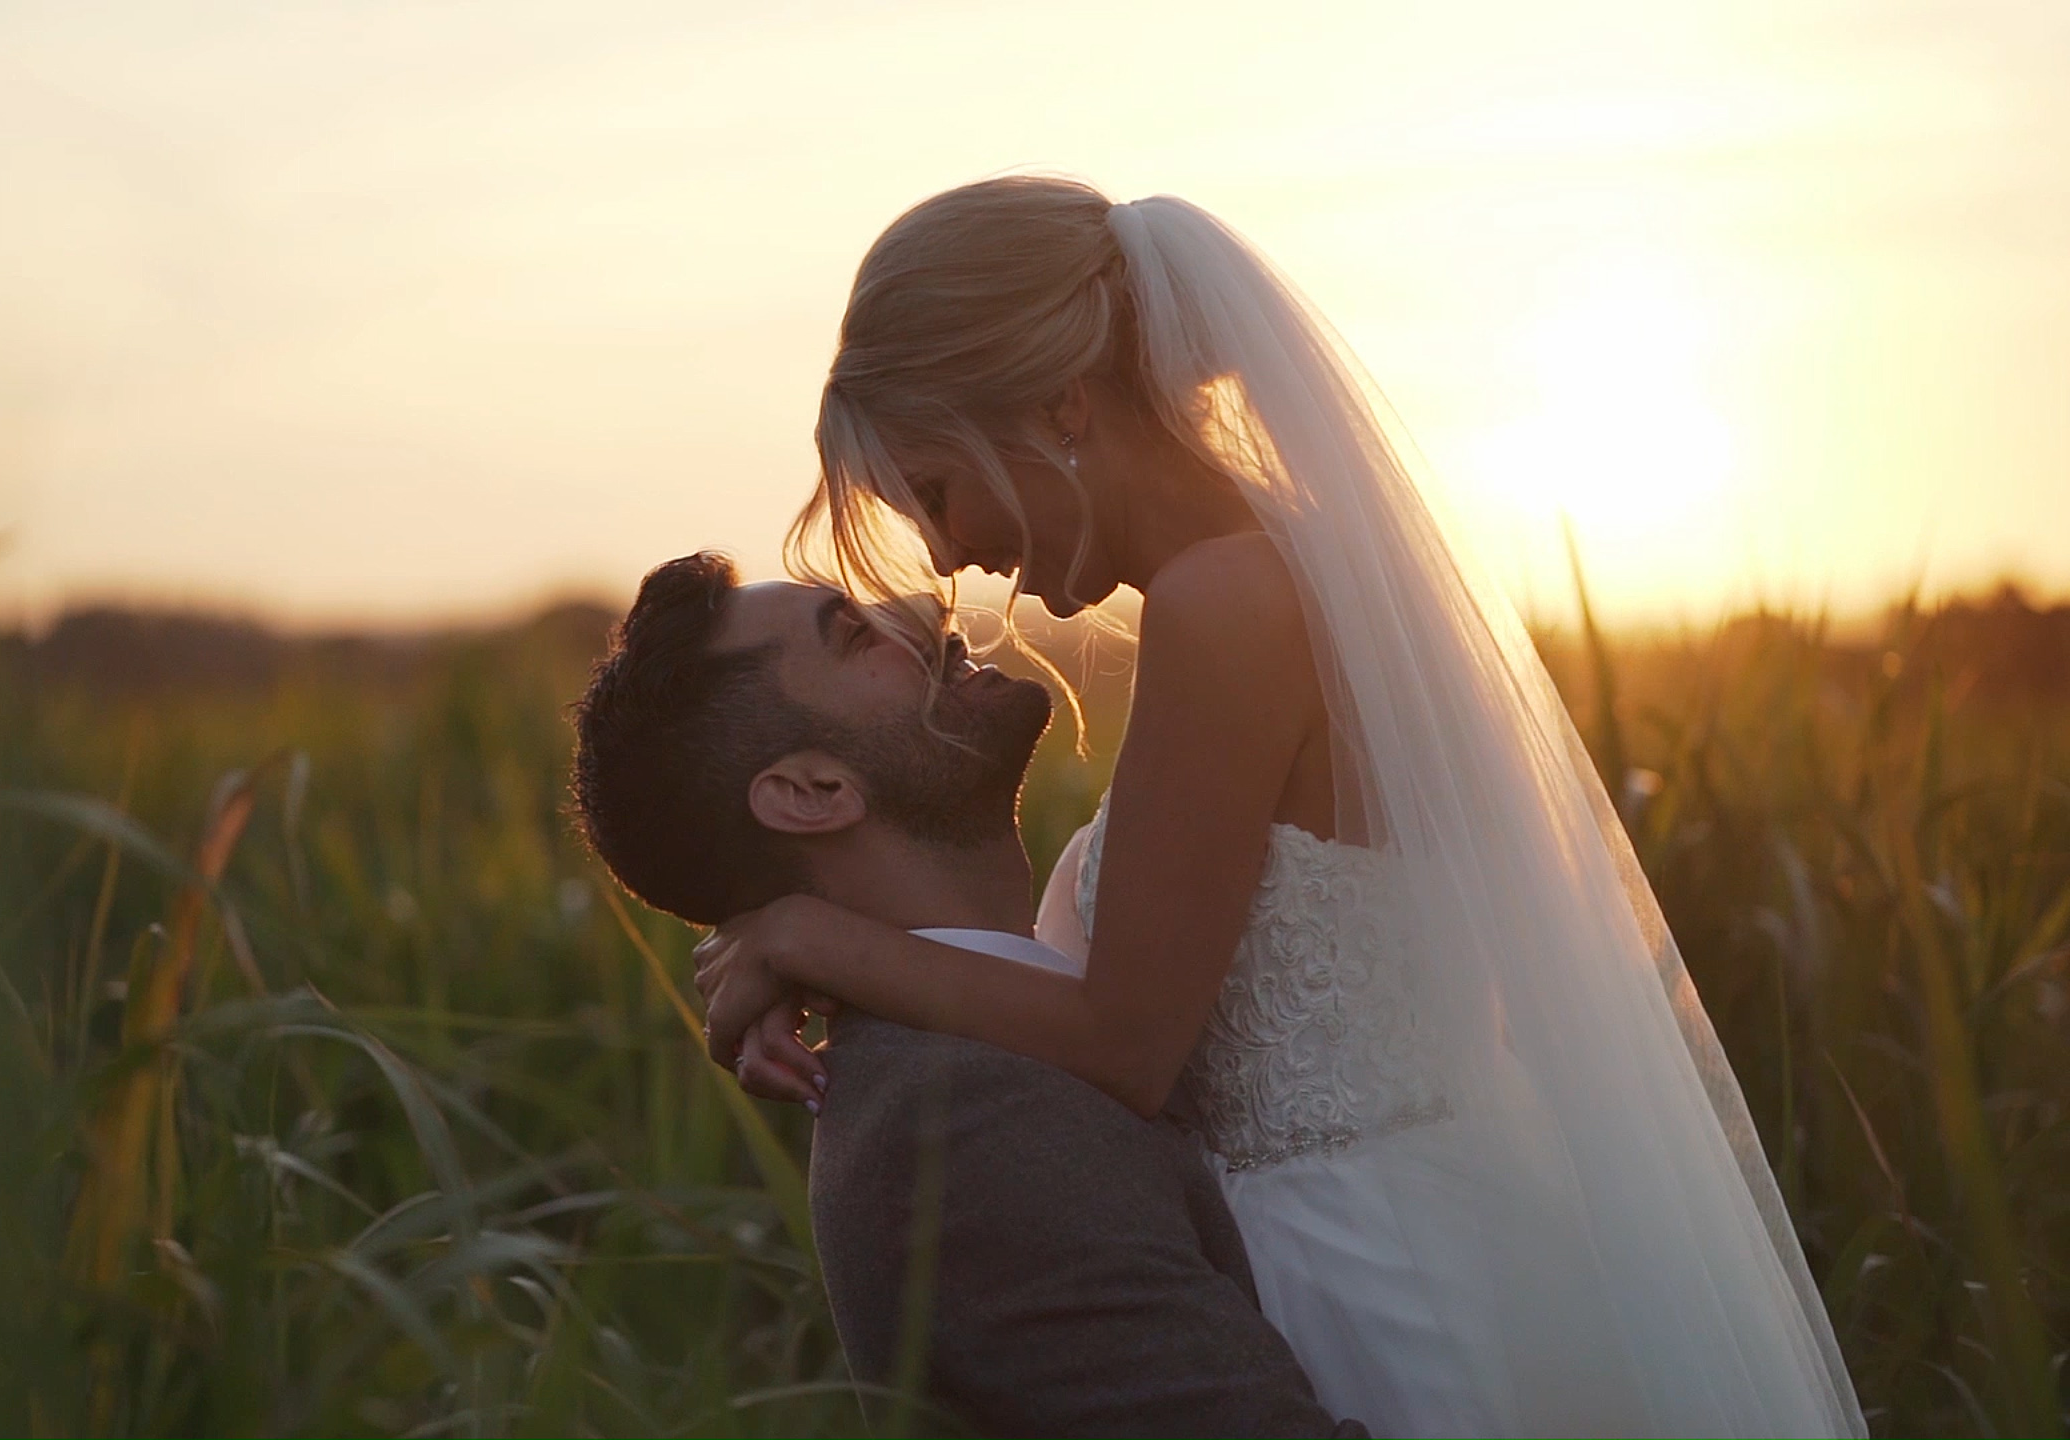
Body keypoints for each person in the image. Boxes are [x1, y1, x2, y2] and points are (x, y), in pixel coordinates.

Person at [692, 177, 1865, 1436]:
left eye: (933, 487)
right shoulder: (1285, 571)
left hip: (1374, 1276)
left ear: (1058, 405)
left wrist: (818, 939)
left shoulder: (1228, 604)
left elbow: (1125, 1042)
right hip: (1447, 1226)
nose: (942, 554)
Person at [569, 551, 1361, 1437]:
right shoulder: (958, 1126)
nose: (922, 605)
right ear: (813, 793)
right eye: (855, 634)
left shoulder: (1089, 961)